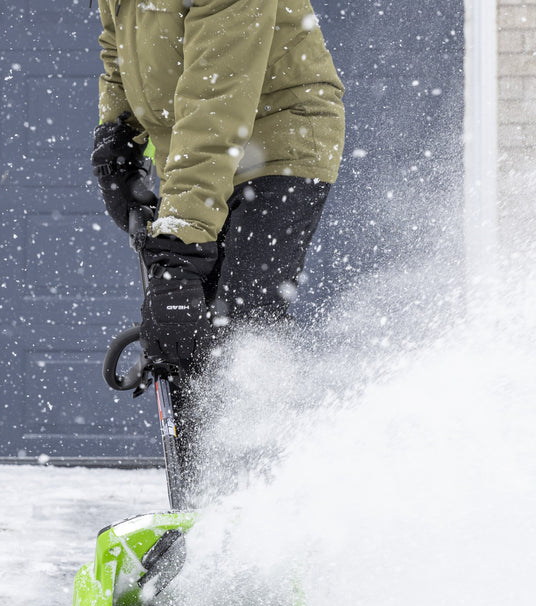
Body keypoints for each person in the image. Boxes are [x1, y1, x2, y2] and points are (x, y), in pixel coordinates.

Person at [90, 0, 345, 380]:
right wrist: (118, 141)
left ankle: (273, 424)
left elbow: (216, 98)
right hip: (200, 148)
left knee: (239, 327)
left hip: (277, 143)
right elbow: (118, 46)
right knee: (188, 334)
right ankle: (202, 412)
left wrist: (180, 248)